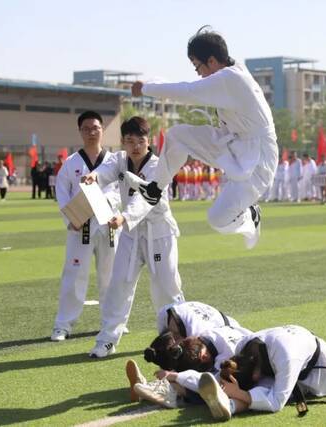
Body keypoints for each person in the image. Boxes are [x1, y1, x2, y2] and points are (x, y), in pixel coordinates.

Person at [131, 27, 276, 250]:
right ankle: (155, 189)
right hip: (231, 141)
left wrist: (147, 88)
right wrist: (150, 82)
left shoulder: (231, 78)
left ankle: (249, 215)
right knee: (177, 135)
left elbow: (188, 92)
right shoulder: (230, 74)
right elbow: (187, 87)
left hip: (258, 157)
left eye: (197, 66)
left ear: (211, 60)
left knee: (218, 219)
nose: (198, 72)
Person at [83, 117, 184, 358]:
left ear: (148, 141)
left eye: (141, 140)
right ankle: (107, 339)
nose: (136, 146)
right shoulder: (119, 160)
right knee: (118, 284)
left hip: (158, 233)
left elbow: (146, 200)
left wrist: (124, 217)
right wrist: (94, 176)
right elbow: (106, 169)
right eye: (130, 141)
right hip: (130, 234)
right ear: (123, 142)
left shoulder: (159, 166)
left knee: (166, 287)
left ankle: (178, 338)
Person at [198, 325, 326, 421]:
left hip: (324, 370)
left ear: (256, 375)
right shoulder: (243, 346)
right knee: (259, 391)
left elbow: (276, 402)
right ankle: (228, 405)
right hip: (291, 356)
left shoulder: (286, 357)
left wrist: (240, 393)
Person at [50, 111, 121, 342]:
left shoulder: (115, 161)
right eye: (86, 129)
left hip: (108, 225)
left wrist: (111, 206)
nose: (92, 132)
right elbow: (62, 193)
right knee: (74, 274)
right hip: (80, 227)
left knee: (110, 275)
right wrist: (70, 219)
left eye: (96, 128)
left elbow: (123, 192)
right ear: (80, 132)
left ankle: (112, 322)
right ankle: (63, 325)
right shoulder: (71, 163)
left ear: (102, 130)